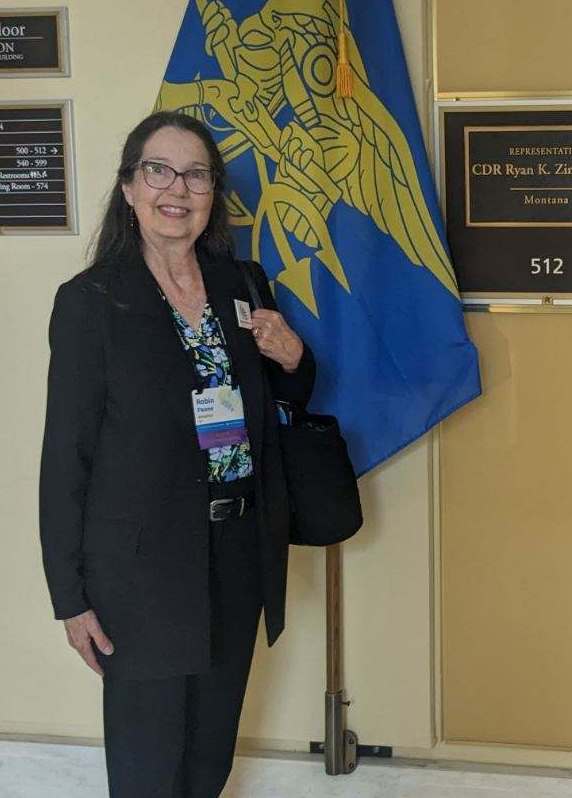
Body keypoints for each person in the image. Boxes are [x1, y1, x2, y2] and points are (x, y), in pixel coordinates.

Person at [39, 111, 315, 797]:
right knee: (148, 761)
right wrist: (70, 598)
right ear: (129, 188)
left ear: (212, 193)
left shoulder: (240, 284)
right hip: (140, 570)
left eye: (195, 175)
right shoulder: (91, 302)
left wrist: (295, 358)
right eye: (157, 170)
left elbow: (281, 397)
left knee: (208, 756)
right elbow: (64, 458)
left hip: (237, 550)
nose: (177, 189)